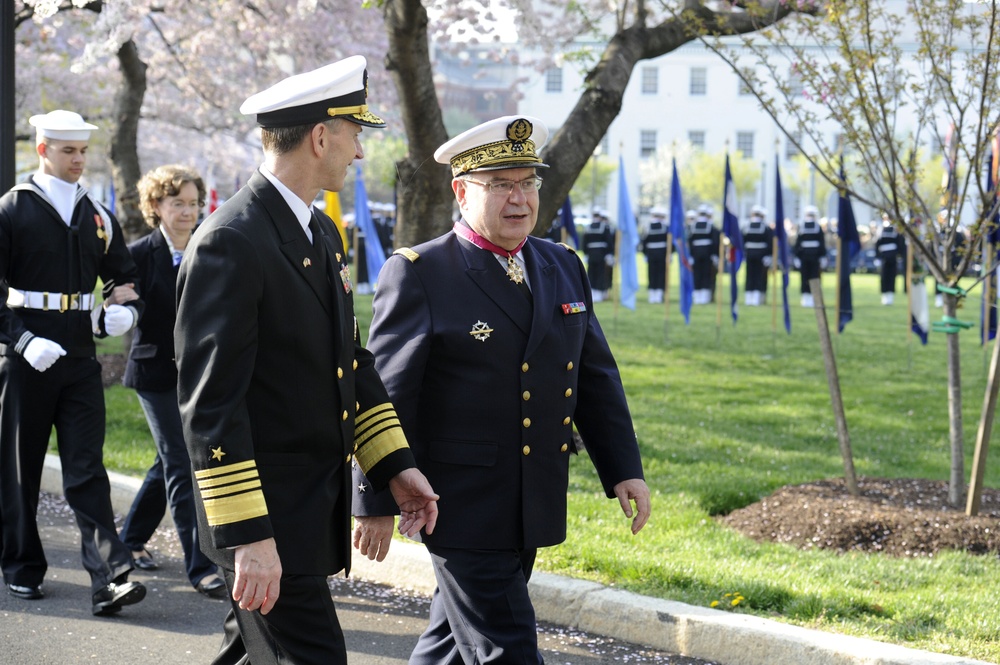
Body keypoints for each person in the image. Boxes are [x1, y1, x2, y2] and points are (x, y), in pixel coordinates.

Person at [352, 115, 651, 665]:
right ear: (461, 190)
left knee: (450, 644)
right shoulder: (420, 272)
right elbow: (388, 396)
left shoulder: (560, 264)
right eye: (501, 185)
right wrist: (373, 495)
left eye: (528, 183)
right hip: (456, 505)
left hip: (532, 494)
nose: (520, 199)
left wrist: (623, 468)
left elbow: (593, 375)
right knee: (507, 647)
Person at [174, 56, 439, 665]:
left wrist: (394, 466)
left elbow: (346, 361)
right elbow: (211, 407)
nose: (361, 154)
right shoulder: (230, 242)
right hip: (266, 516)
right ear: (321, 136)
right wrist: (249, 537)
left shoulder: (321, 233)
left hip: (303, 509)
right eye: (355, 136)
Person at [0, 109, 147, 615]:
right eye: (68, 151)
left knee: (87, 470)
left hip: (81, 359)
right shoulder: (12, 210)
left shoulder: (98, 215)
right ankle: (21, 566)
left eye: (83, 151)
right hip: (26, 361)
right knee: (20, 468)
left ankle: (110, 577)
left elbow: (124, 279)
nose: (79, 160)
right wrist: (20, 342)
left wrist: (123, 311)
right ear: (43, 151)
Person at [116, 164, 226, 599]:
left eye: (193, 203)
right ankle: (200, 565)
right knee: (181, 462)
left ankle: (129, 540)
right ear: (155, 206)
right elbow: (125, 302)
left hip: (197, 374)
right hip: (154, 372)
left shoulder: (211, 246)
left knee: (165, 462)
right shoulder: (138, 254)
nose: (186, 211)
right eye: (176, 202)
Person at [793, 205, 826, 307]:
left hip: (814, 257)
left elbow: (821, 243)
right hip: (805, 257)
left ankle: (813, 298)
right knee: (805, 277)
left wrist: (822, 256)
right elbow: (798, 243)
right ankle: (805, 298)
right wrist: (797, 256)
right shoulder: (801, 226)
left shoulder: (817, 227)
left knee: (814, 277)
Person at [688, 204, 720, 304]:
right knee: (706, 275)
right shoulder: (711, 227)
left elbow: (689, 242)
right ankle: (705, 297)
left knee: (697, 274)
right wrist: (715, 255)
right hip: (708, 255)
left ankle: (697, 297)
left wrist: (690, 255)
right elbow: (715, 243)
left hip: (696, 255)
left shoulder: (692, 227)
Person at [742, 205, 773, 306]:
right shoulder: (766, 227)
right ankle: (756, 298)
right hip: (761, 255)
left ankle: (749, 297)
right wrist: (769, 255)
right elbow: (770, 242)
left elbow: (742, 241)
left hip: (750, 254)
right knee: (759, 276)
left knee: (750, 275)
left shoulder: (746, 226)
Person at [582, 209, 614, 301]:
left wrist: (586, 253)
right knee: (599, 273)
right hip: (601, 254)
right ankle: (598, 294)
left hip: (592, 253)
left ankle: (593, 293)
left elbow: (584, 242)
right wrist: (609, 253)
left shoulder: (588, 227)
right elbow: (609, 242)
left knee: (592, 273)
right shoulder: (605, 227)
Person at [642, 206, 669, 304]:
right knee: (660, 274)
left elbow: (644, 242)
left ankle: (653, 295)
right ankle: (657, 295)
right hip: (661, 253)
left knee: (652, 273)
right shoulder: (666, 227)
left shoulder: (647, 227)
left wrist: (645, 253)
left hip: (651, 253)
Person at [875, 213, 901, 305]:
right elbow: (877, 244)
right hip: (883, 258)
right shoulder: (880, 229)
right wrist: (877, 257)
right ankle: (884, 296)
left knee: (892, 277)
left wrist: (898, 255)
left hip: (893, 258)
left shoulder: (895, 229)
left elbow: (899, 243)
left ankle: (890, 296)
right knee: (884, 277)